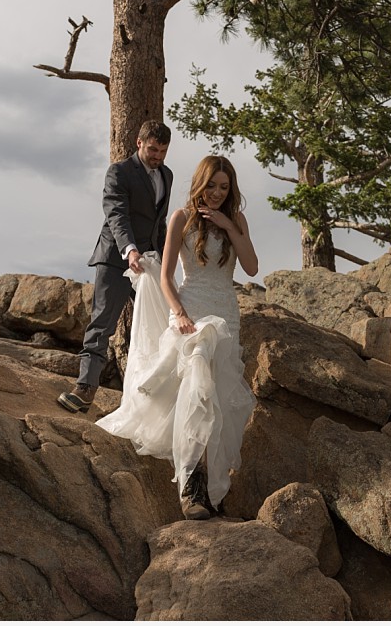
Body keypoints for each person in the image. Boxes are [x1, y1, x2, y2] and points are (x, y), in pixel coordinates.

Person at [95, 155, 258, 520]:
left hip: (225, 310)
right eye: (212, 185)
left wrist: (228, 226)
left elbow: (251, 266)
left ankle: (211, 485)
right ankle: (191, 485)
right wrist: (181, 315)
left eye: (224, 187)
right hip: (191, 310)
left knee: (214, 398)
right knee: (197, 384)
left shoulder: (237, 220)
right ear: (200, 182)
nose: (216, 193)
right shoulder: (181, 218)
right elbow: (167, 277)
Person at [58, 120, 173, 414]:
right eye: (152, 149)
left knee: (160, 325)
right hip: (116, 259)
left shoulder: (167, 175)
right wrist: (130, 250)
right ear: (139, 142)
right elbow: (116, 213)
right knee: (102, 324)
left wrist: (162, 262)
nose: (157, 155)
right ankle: (84, 390)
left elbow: (159, 223)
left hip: (150, 263)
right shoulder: (119, 172)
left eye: (162, 150)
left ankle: (156, 399)